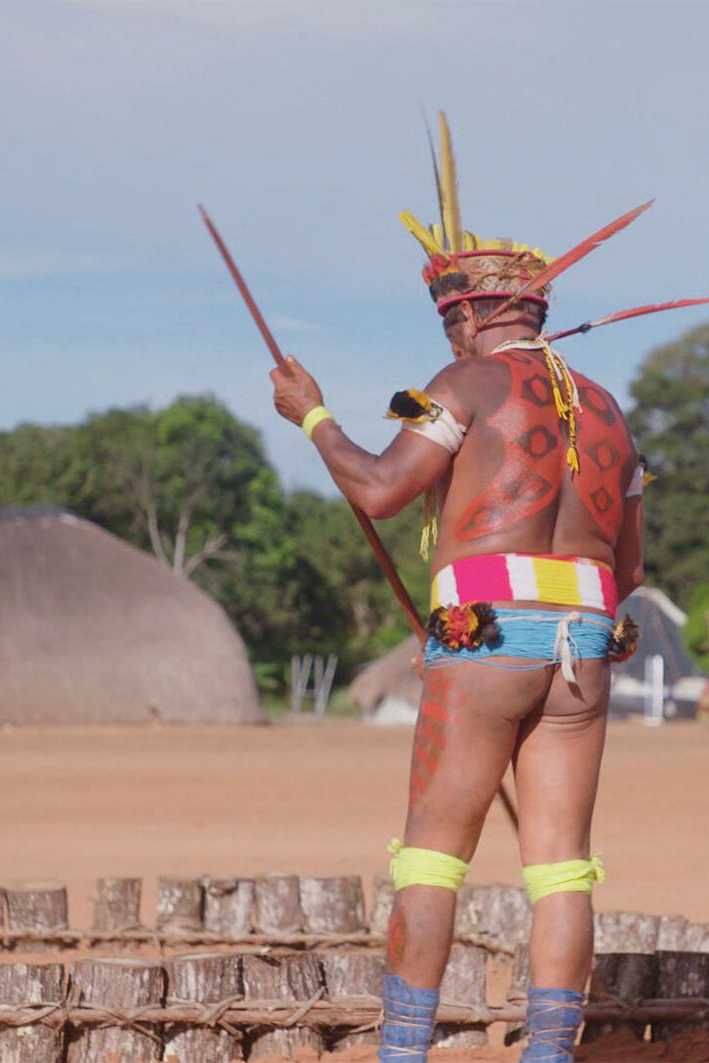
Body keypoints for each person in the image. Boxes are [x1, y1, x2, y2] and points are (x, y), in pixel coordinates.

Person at [268, 114, 645, 1063]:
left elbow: (381, 486)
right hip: (586, 643)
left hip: (484, 641)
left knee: (431, 858)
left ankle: (402, 1056)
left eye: (449, 325)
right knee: (563, 872)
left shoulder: (458, 379)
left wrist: (310, 412)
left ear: (467, 318)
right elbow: (629, 567)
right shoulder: (607, 406)